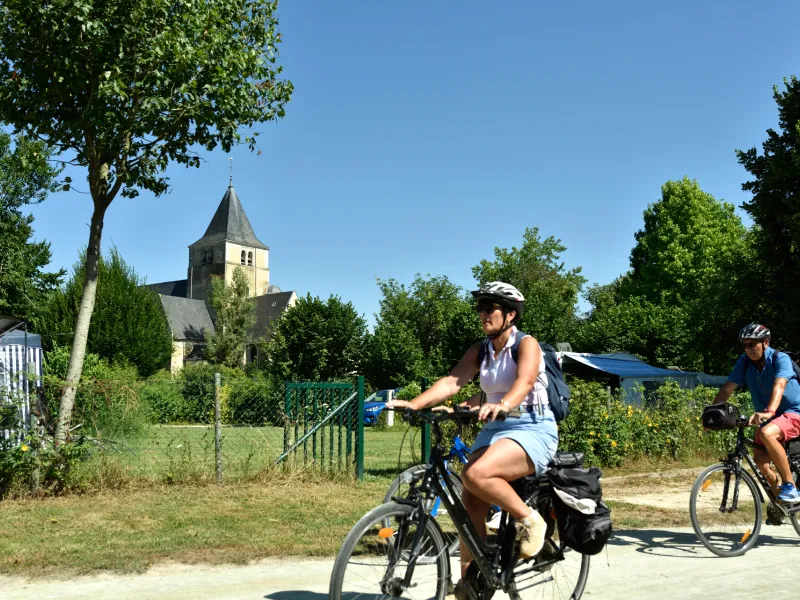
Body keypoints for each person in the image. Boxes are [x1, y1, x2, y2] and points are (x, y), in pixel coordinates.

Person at [387, 281, 558, 597]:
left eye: (489, 307)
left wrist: (503, 404)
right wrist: (414, 403)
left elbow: (525, 382)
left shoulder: (526, 345)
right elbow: (453, 381)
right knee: (470, 501)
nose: (482, 314)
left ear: (509, 314)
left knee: (474, 473)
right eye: (480, 307)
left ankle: (531, 520)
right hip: (497, 426)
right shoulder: (481, 350)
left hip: (533, 425)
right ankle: (470, 583)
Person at [712, 324, 800, 515]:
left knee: (767, 433)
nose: (749, 348)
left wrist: (768, 411)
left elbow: (780, 385)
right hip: (771, 418)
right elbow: (728, 387)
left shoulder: (780, 358)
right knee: (760, 461)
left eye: (752, 344)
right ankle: (782, 507)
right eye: (745, 345)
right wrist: (711, 413)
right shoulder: (745, 362)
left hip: (795, 413)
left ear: (765, 342)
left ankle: (790, 487)